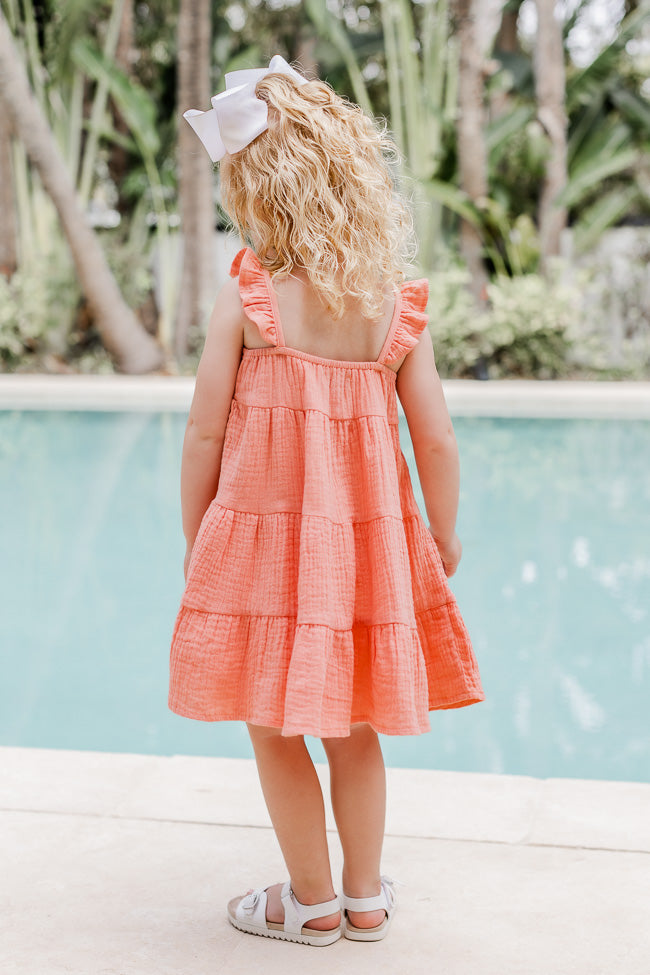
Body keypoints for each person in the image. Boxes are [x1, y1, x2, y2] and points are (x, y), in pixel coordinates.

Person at [169, 55, 484, 947]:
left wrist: (202, 537)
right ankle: (364, 896)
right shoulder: (394, 306)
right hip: (361, 557)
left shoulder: (250, 297)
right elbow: (436, 440)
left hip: (263, 556)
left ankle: (307, 900)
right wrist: (443, 531)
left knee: (275, 727)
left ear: (255, 190)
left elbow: (202, 434)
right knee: (354, 725)